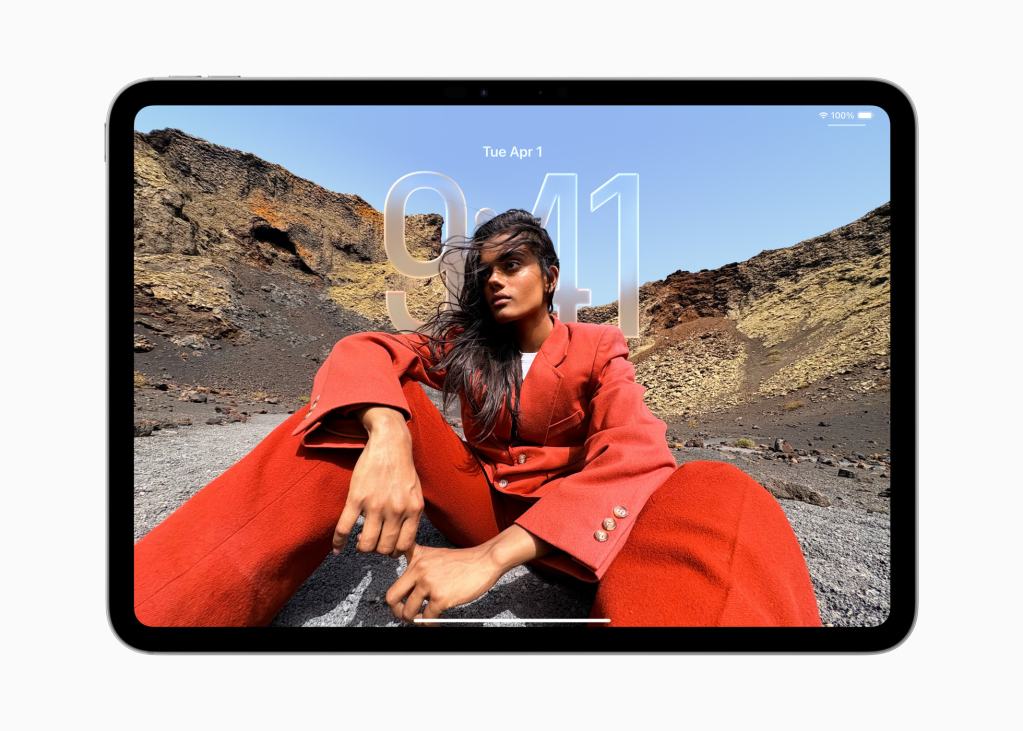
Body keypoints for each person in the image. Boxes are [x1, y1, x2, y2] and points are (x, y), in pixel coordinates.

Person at [134, 209, 822, 628]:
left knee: (721, 488)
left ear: (549, 276)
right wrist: (387, 433)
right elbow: (365, 349)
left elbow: (636, 451)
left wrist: (490, 559)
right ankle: (159, 609)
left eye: (512, 264)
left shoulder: (598, 346)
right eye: (484, 269)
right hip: (480, 505)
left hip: (569, 533)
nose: (493, 278)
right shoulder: (468, 345)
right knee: (357, 414)